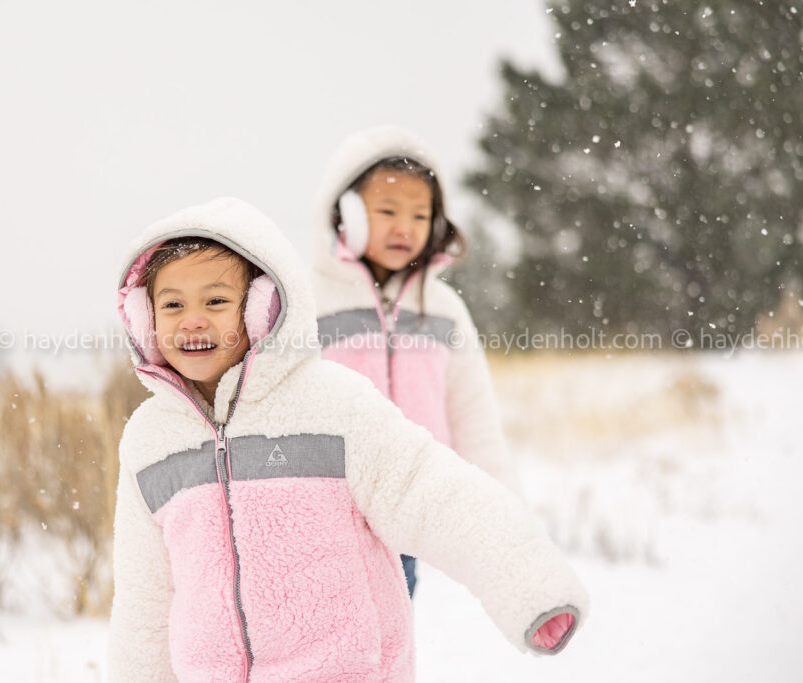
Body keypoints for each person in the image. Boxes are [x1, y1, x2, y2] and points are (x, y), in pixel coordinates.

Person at [107, 197, 587, 682]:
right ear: (144, 318)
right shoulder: (149, 441)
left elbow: (434, 493)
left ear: (261, 307)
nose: (192, 320)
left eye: (215, 301)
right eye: (172, 305)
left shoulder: (330, 404)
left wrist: (529, 585)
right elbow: (143, 603)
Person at [311, 125, 520, 597]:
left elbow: (475, 420)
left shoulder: (444, 309)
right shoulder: (308, 301)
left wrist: (511, 526)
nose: (405, 227)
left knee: (388, 653)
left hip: (409, 516)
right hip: (326, 515)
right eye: (387, 211)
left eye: (420, 215)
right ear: (347, 213)